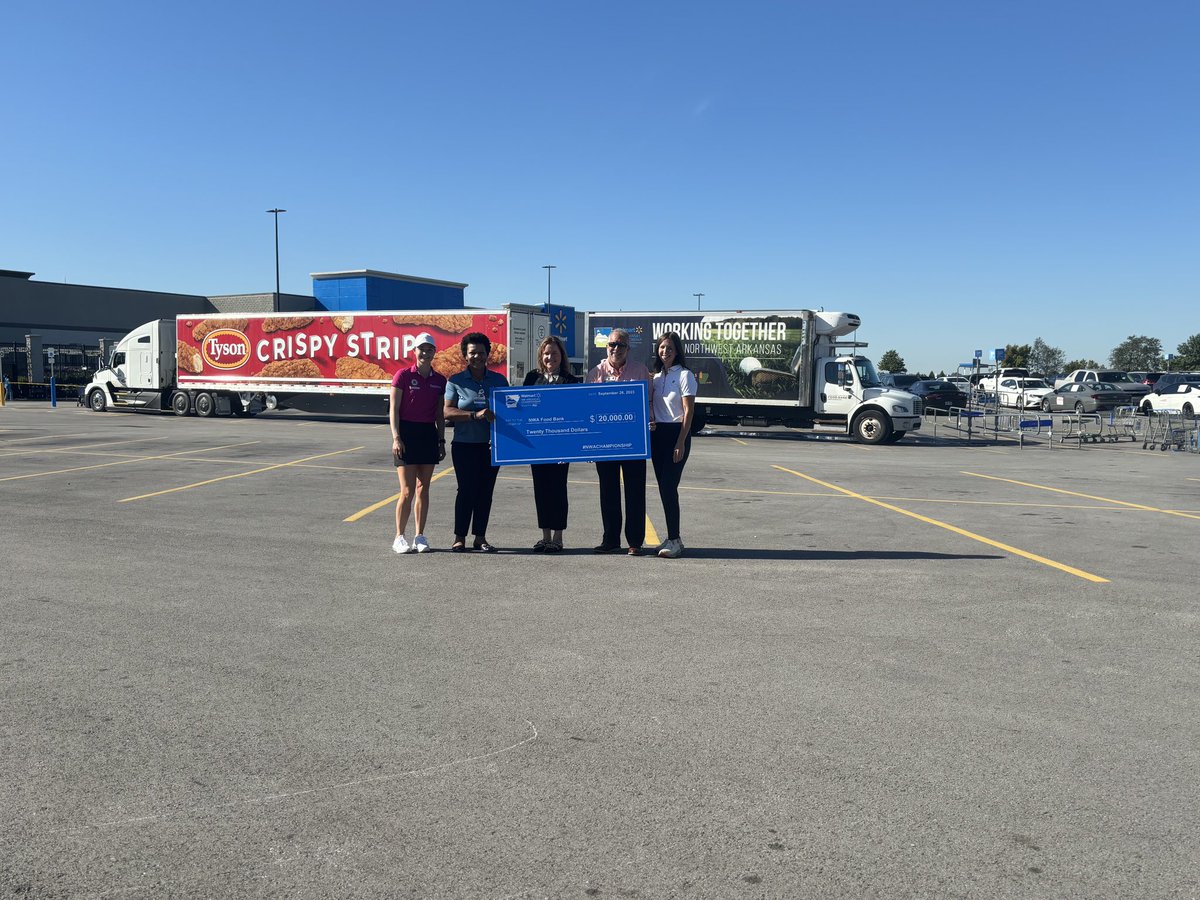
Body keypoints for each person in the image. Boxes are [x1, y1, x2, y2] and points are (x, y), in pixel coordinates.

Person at [587, 327, 652, 555]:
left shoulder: (640, 371)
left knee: (635, 491)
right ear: (607, 347)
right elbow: (588, 408)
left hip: (633, 443)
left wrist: (650, 422)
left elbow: (649, 404)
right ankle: (610, 539)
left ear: (628, 348)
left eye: (621, 345)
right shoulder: (595, 373)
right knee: (608, 492)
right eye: (612, 345)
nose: (616, 349)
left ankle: (635, 541)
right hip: (604, 444)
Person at [444, 332, 509, 552]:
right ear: (465, 355)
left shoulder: (499, 381)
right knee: (466, 490)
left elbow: (511, 411)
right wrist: (474, 415)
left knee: (485, 492)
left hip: (492, 448)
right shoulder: (455, 381)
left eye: (481, 353)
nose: (477, 357)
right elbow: (447, 412)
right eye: (472, 353)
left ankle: (480, 537)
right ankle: (459, 536)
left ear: (488, 354)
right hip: (464, 446)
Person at [389, 332, 446, 554]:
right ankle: (399, 537)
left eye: (430, 349)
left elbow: (440, 415)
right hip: (406, 434)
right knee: (406, 490)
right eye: (421, 349)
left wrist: (441, 440)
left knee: (424, 489)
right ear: (414, 352)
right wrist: (396, 437)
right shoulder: (402, 376)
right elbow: (393, 410)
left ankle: (419, 536)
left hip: (428, 435)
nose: (425, 352)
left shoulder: (440, 380)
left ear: (434, 352)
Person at [523, 335, 580, 552]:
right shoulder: (532, 378)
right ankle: (545, 536)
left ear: (561, 356)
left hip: (561, 447)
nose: (550, 357)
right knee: (541, 489)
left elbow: (576, 414)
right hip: (537, 446)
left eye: (554, 353)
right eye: (546, 353)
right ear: (541, 355)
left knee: (558, 490)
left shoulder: (570, 380)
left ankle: (558, 537)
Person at [649, 331, 697, 558]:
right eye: (661, 347)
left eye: (669, 348)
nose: (665, 352)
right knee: (663, 489)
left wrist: (681, 442)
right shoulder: (656, 377)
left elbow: (689, 412)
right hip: (658, 436)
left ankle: (675, 539)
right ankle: (671, 537)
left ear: (676, 351)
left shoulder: (685, 375)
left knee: (669, 487)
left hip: (676, 435)